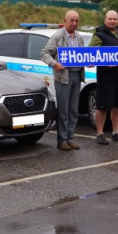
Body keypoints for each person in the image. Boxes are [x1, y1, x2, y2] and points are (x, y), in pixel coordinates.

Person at [41, 10, 85, 151]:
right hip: (63, 78)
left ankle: (70, 137)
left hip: (77, 76)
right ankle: (62, 140)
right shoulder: (58, 36)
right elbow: (44, 53)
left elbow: (82, 56)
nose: (74, 23)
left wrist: (88, 61)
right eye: (71, 20)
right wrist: (55, 64)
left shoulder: (79, 37)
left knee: (73, 110)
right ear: (65, 21)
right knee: (63, 111)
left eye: (76, 21)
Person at [88, 10, 118, 145]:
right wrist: (103, 62)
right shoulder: (98, 35)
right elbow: (89, 54)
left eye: (115, 19)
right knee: (102, 107)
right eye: (110, 19)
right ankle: (100, 134)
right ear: (105, 20)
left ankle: (116, 132)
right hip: (106, 77)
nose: (112, 21)